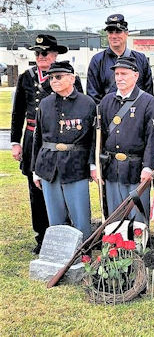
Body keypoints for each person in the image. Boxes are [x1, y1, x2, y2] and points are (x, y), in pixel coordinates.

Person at [10, 34, 83, 254]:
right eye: (37, 53)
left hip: (60, 140)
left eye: (44, 53)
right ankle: (42, 236)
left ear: (54, 54)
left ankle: (68, 232)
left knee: (63, 186)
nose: (40, 57)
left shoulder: (70, 77)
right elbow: (18, 111)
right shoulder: (26, 77)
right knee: (36, 188)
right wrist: (15, 141)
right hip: (33, 137)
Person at [31, 61, 96, 240]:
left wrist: (92, 164)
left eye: (58, 77)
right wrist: (36, 169)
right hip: (48, 166)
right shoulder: (45, 103)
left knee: (80, 216)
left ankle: (83, 252)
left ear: (72, 78)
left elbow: (93, 138)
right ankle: (59, 253)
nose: (54, 81)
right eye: (51, 77)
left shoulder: (87, 103)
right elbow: (38, 138)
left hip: (75, 165)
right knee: (55, 216)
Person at [99, 57, 154, 223]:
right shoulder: (107, 101)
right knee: (115, 215)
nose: (119, 77)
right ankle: (115, 247)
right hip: (112, 168)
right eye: (117, 74)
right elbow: (100, 136)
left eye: (124, 73)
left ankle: (138, 247)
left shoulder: (149, 102)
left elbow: (153, 138)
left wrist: (148, 167)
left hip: (137, 168)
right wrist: (98, 166)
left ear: (136, 75)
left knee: (138, 216)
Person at [87, 14, 154, 104]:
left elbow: (148, 93)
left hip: (137, 114)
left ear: (126, 34)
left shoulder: (141, 59)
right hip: (108, 114)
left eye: (118, 32)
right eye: (111, 32)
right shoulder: (97, 60)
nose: (114, 36)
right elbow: (93, 95)